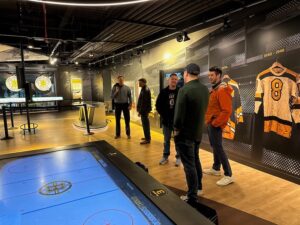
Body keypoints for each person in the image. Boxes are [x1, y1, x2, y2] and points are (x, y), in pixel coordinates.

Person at [173, 63, 209, 205]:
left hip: (185, 134)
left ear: (186, 73)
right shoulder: (205, 89)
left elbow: (178, 117)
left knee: (189, 165)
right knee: (195, 160)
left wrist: (176, 130)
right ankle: (198, 187)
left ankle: (192, 196)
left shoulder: (184, 90)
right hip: (197, 132)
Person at [204, 66, 234, 186]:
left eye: (212, 75)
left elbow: (226, 111)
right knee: (215, 146)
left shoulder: (222, 90)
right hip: (211, 123)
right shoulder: (215, 89)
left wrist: (216, 123)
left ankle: (228, 174)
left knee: (219, 148)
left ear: (218, 76)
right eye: (209, 75)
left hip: (216, 123)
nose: (210, 77)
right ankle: (216, 168)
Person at [156, 73, 181, 166]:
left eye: (175, 79)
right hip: (166, 122)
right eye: (172, 79)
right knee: (166, 140)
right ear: (168, 80)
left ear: (177, 81)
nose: (174, 80)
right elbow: (158, 106)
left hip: (177, 122)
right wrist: (164, 115)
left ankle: (179, 157)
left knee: (177, 140)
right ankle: (165, 156)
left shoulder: (180, 91)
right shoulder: (163, 92)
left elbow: (183, 105)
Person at [111, 75, 132, 139]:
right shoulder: (114, 88)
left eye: (122, 80)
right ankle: (118, 134)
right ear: (118, 80)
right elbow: (112, 97)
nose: (121, 81)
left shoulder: (127, 88)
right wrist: (116, 92)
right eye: (120, 80)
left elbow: (130, 97)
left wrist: (130, 105)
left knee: (127, 120)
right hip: (117, 105)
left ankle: (128, 134)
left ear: (123, 80)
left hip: (125, 105)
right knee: (117, 120)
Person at [137, 78, 152, 144]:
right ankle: (147, 137)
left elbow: (144, 103)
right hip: (145, 110)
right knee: (145, 124)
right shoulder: (144, 89)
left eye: (140, 82)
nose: (139, 84)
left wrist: (140, 112)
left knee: (145, 125)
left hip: (144, 111)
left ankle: (147, 139)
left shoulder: (145, 90)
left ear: (143, 82)